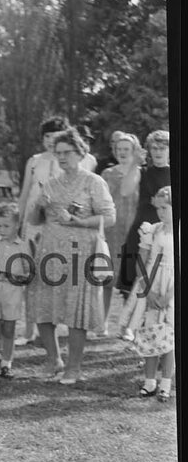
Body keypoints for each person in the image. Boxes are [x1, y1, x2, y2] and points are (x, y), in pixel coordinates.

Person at [27, 128, 116, 384]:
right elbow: (34, 220)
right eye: (58, 153)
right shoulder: (50, 184)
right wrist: (39, 206)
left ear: (80, 152)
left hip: (81, 252)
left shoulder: (93, 182)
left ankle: (73, 367)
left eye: (67, 152)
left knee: (77, 310)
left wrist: (79, 221)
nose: (62, 157)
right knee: (43, 306)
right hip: (50, 252)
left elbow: (109, 217)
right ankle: (53, 359)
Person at [118, 187, 175, 402]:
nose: (160, 212)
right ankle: (149, 382)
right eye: (158, 208)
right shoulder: (152, 230)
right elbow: (141, 262)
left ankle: (166, 384)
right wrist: (148, 291)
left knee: (169, 337)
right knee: (150, 333)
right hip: (151, 284)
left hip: (171, 287)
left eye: (165, 208)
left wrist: (168, 295)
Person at [116, 130, 170, 300]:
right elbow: (125, 191)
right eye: (154, 148)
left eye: (162, 148)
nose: (158, 152)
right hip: (141, 232)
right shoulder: (142, 171)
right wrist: (135, 163)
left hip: (167, 233)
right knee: (132, 289)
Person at [99, 131, 142, 331]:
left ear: (134, 151)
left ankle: (127, 326)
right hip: (112, 231)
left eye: (127, 149)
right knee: (106, 279)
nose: (122, 153)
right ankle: (102, 324)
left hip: (134, 230)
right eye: (119, 149)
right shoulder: (107, 174)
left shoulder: (141, 173)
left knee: (130, 280)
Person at [0, 204, 30, 378]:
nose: (1, 230)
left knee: (9, 329)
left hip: (13, 292)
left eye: (6, 226)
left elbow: (29, 272)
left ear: (17, 225)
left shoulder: (22, 247)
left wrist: (17, 277)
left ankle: (6, 363)